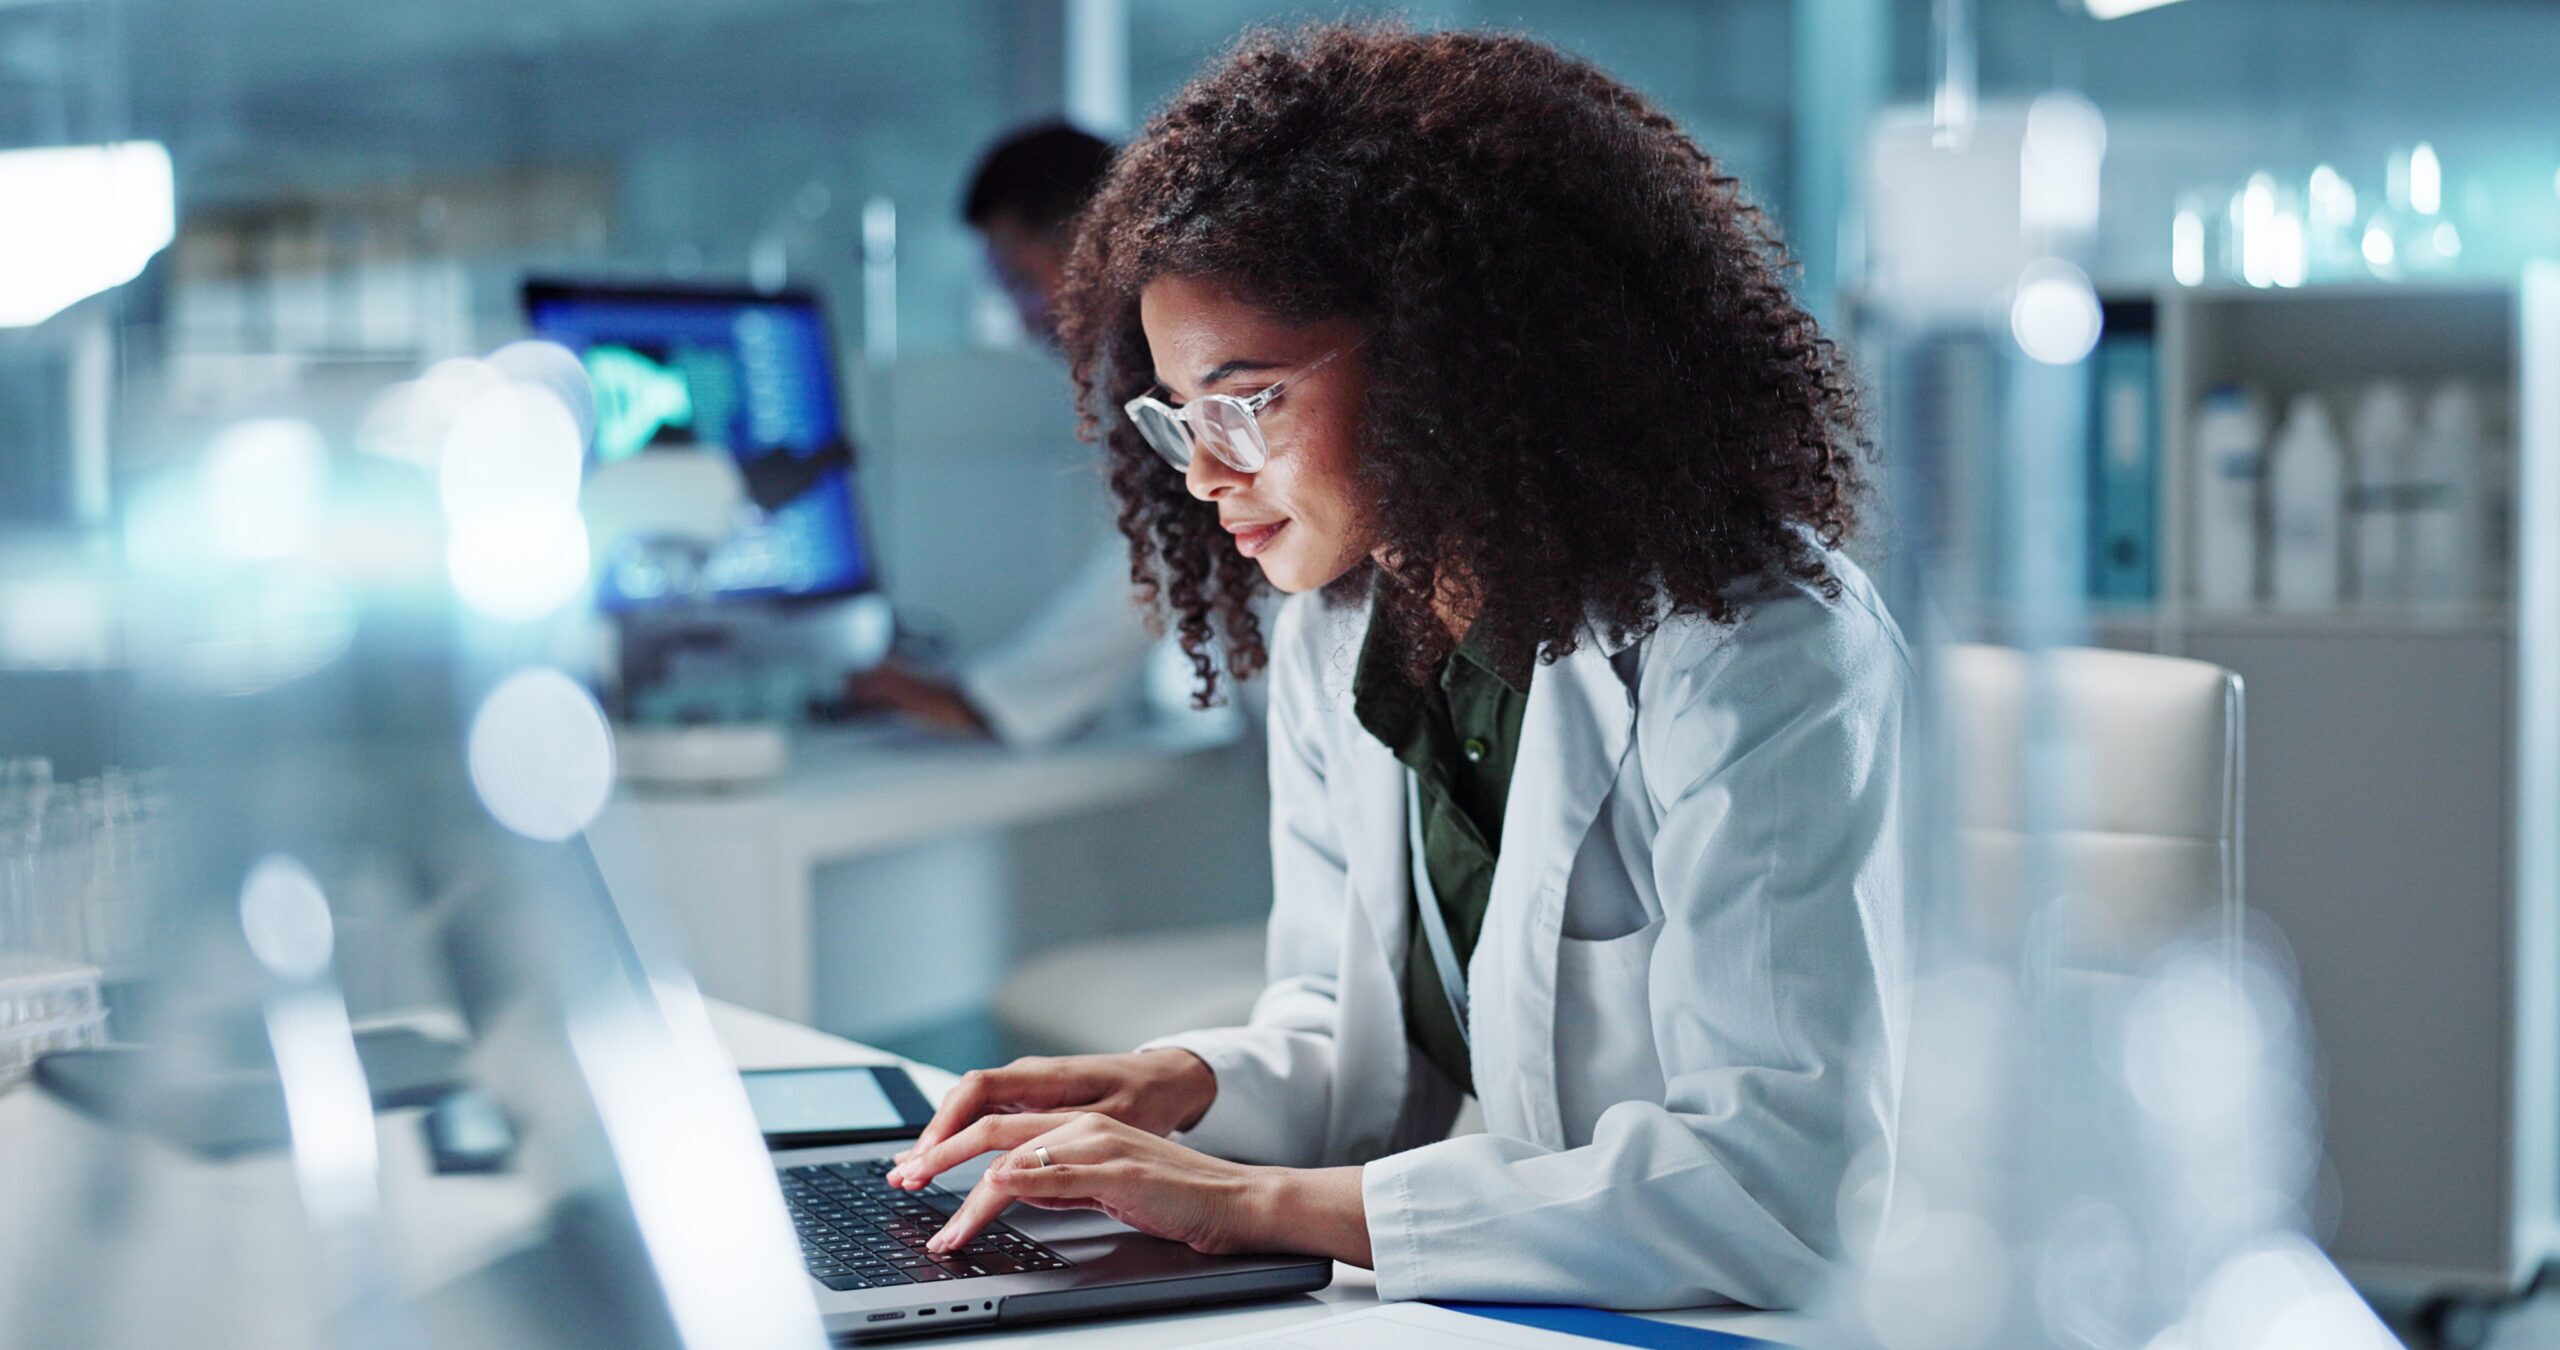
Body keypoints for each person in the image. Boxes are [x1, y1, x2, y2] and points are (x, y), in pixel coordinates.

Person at [880, 23, 1909, 1312]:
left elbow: (1773, 1188)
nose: (1200, 475)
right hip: (1509, 1302)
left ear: (1449, 359)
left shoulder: (1750, 642)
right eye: (1175, 415)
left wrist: (1249, 1204)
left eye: (1243, 401)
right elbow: (1355, 1040)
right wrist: (1183, 1084)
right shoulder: (1343, 622)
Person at [848, 122, 1173, 746]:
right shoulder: (1141, 364)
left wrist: (989, 701)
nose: (1025, 319)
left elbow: (1156, 553)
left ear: (1095, 242)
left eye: (1023, 281)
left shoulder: (1173, 361)